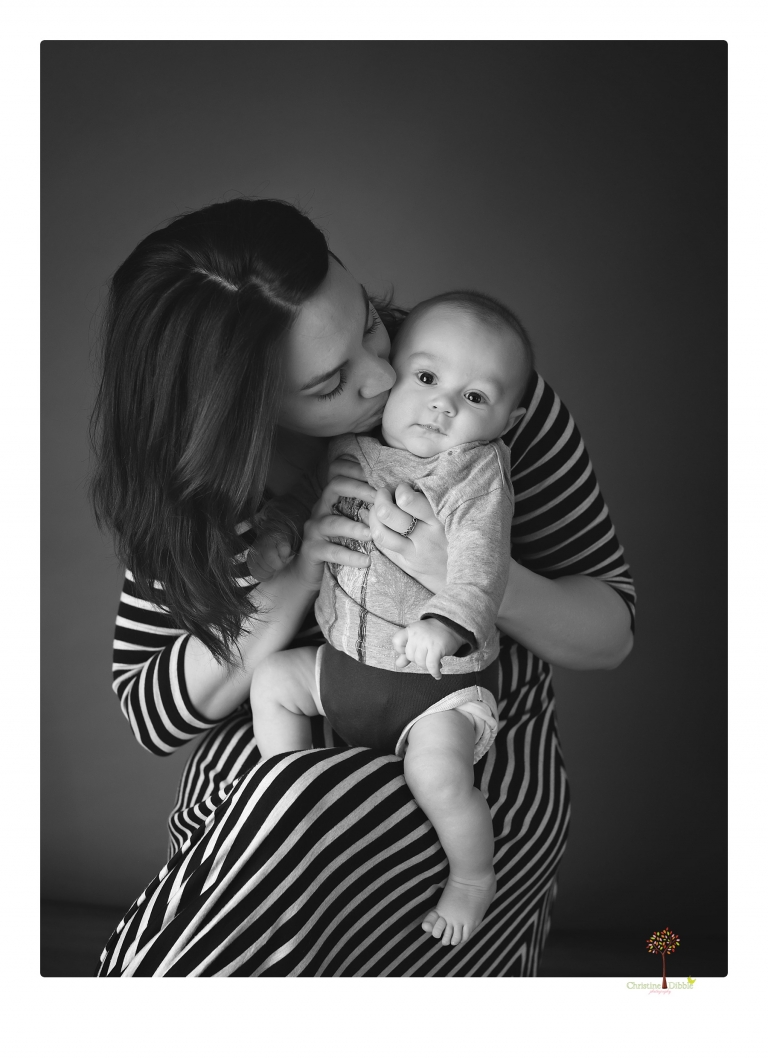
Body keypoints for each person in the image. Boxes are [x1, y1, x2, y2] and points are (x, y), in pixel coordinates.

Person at [91, 197, 635, 977]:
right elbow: (151, 710)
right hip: (277, 767)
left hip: (456, 750)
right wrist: (301, 572)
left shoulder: (466, 375)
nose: (385, 376)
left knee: (313, 833)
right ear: (239, 414)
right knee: (266, 850)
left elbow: (611, 631)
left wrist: (469, 575)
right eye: (330, 382)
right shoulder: (197, 481)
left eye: (371, 325)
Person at [248, 291, 534, 947]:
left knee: (435, 775)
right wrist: (277, 542)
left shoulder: (474, 473)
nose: (442, 405)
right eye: (429, 380)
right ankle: (291, 800)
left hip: (433, 686)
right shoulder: (352, 445)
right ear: (397, 374)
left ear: (507, 420)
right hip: (346, 667)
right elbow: (309, 508)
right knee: (273, 682)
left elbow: (480, 562)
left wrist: (445, 622)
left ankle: (471, 877)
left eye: (475, 398)